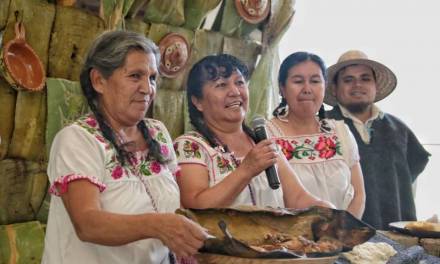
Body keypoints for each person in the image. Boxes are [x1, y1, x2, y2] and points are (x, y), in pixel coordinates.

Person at [42, 31, 208, 264]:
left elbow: (174, 206)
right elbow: (87, 224)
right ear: (99, 80)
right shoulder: (77, 140)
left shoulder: (157, 132)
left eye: (152, 77)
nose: (147, 89)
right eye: (135, 76)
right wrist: (157, 225)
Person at [173, 54, 332, 209]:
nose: (235, 92)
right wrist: (246, 170)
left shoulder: (262, 141)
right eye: (221, 85)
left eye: (240, 83)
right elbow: (196, 205)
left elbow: (297, 198)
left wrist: (331, 211)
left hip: (274, 235)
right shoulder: (189, 146)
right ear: (198, 102)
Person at [325, 50, 431, 229]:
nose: (357, 85)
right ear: (334, 89)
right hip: (342, 236)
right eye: (348, 80)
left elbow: (410, 181)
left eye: (365, 78)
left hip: (396, 237)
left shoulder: (400, 129)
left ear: (376, 86)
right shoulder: (323, 127)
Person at [267, 52, 365, 219]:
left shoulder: (340, 132)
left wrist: (341, 234)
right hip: (287, 240)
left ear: (324, 86)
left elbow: (358, 196)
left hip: (340, 237)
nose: (307, 89)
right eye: (298, 81)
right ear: (282, 88)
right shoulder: (266, 135)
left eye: (315, 81)